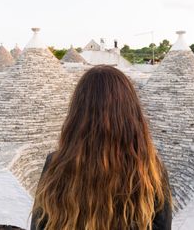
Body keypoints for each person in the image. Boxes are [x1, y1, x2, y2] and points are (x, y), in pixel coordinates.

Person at [31, 65, 172, 230]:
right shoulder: (149, 168)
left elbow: (39, 225)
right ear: (131, 114)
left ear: (77, 114)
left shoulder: (56, 164)